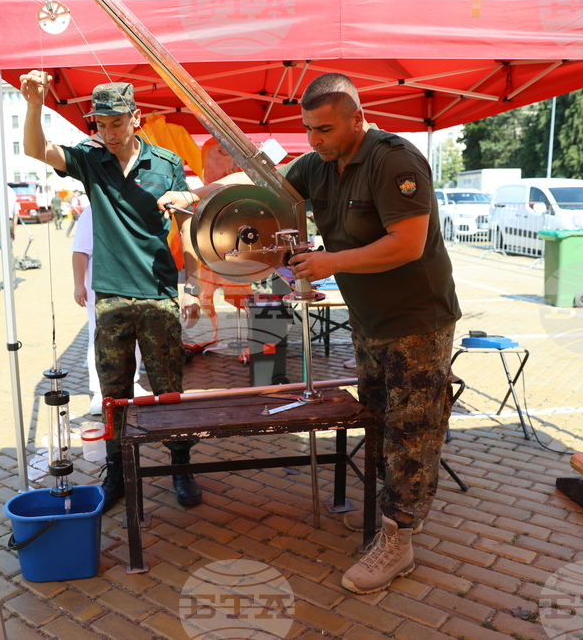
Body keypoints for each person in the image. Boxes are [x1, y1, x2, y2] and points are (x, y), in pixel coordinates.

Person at [195, 73, 461, 595]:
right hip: (370, 319)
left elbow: (407, 244)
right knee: (380, 420)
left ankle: (399, 541)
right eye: (309, 130)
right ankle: (394, 519)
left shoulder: (394, 160)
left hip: (415, 319)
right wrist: (202, 194)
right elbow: (269, 190)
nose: (314, 140)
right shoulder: (321, 164)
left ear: (357, 119)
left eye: (325, 129)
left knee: (413, 428)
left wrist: (330, 261)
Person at [21, 73, 203, 514]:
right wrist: (35, 103)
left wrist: (193, 285)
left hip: (159, 292)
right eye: (101, 124)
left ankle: (181, 466)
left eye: (117, 123)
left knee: (169, 391)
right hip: (111, 298)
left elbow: (186, 225)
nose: (109, 132)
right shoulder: (90, 159)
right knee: (113, 394)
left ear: (135, 119)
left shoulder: (167, 162)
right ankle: (119, 471)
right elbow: (36, 150)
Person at [72, 204, 149, 415]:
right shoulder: (92, 210)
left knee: (134, 336)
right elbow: (80, 251)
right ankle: (99, 391)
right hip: (99, 288)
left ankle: (132, 383)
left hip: (130, 285)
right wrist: (79, 285)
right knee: (98, 339)